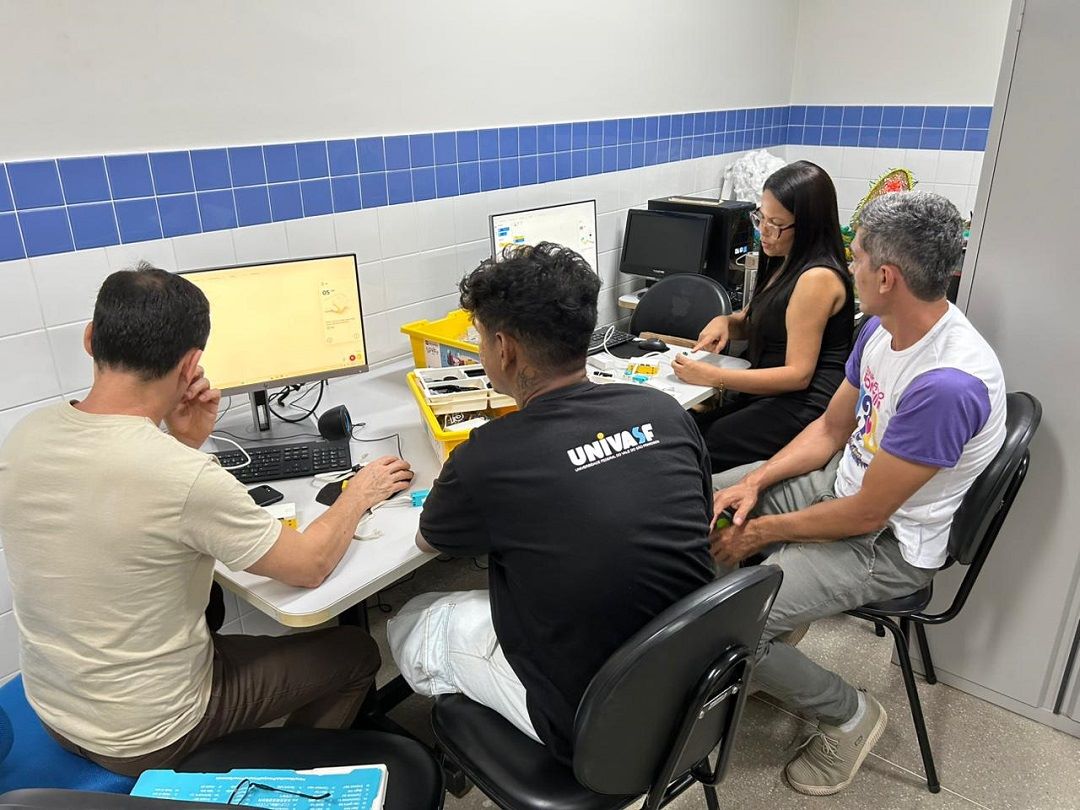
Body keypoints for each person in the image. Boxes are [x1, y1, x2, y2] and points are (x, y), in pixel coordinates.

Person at [0, 264, 413, 776]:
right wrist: (358, 492)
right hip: (147, 734)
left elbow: (120, 511)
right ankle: (280, 781)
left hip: (57, 707)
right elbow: (308, 566)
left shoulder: (26, 434)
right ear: (192, 362)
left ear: (90, 339)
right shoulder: (181, 476)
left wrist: (183, 441)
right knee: (353, 652)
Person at [710, 192, 1006, 795]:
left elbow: (869, 512)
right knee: (700, 504)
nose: (850, 269)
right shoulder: (879, 327)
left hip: (887, 543)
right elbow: (828, 429)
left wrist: (758, 533)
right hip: (843, 484)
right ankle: (771, 636)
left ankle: (849, 715)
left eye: (858, 257)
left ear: (887, 276)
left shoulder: (947, 384)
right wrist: (753, 482)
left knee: (730, 625)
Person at [387, 243, 715, 764]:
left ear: (504, 348)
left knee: (413, 618)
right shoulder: (663, 410)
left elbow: (431, 540)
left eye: (478, 338)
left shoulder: (489, 455)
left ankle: (475, 737)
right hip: (693, 678)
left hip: (593, 726)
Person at [672, 161, 855, 472]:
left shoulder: (817, 279)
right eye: (761, 218)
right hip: (769, 394)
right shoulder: (783, 260)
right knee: (680, 428)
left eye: (776, 224)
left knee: (694, 448)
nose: (764, 232)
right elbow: (763, 318)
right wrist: (726, 322)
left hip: (802, 405)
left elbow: (798, 375)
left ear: (808, 226)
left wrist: (711, 376)